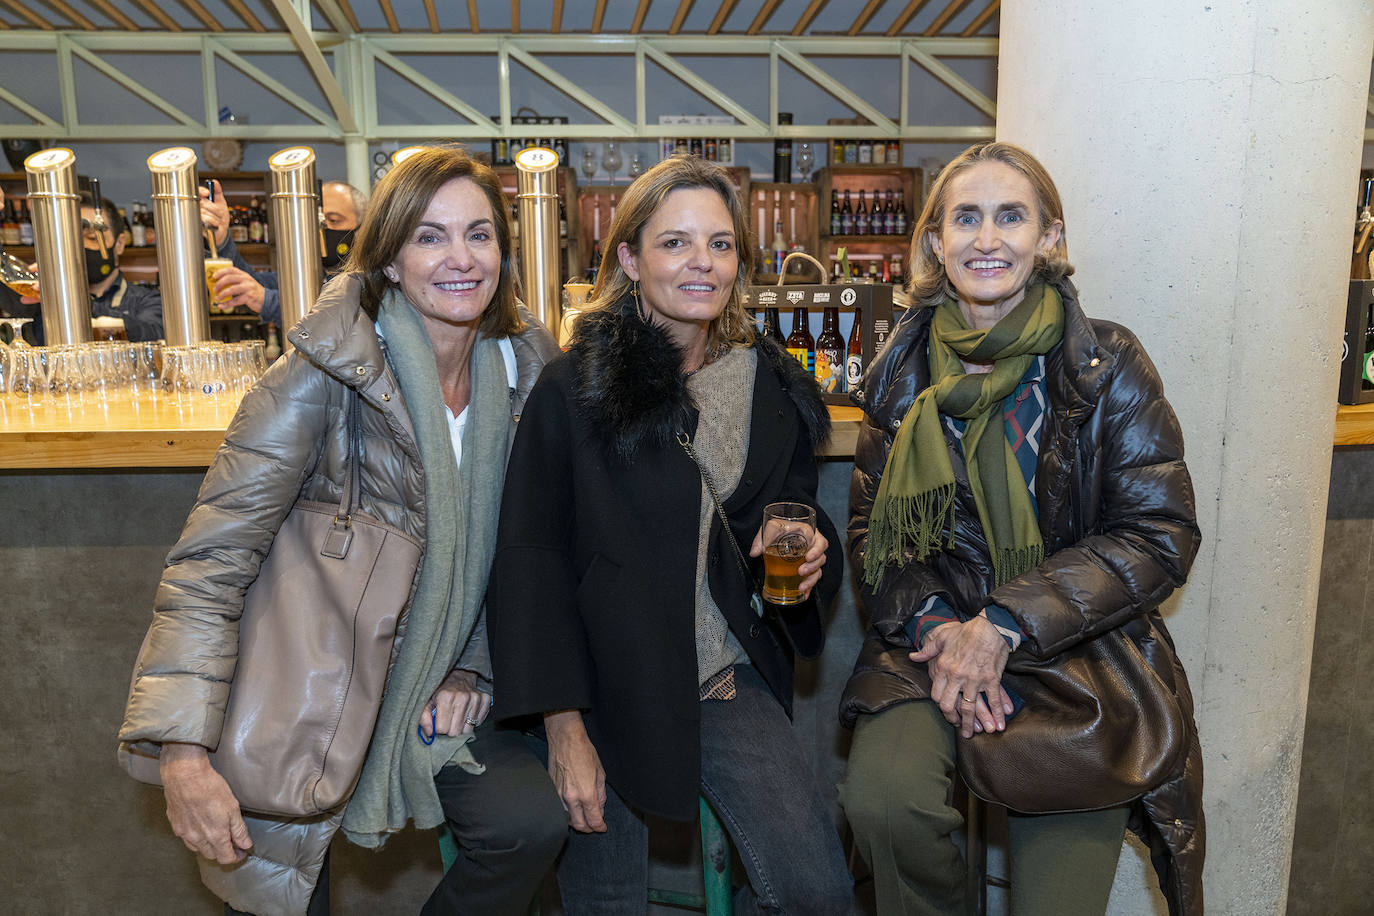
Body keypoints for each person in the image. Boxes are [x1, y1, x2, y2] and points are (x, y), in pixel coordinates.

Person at [118, 145, 567, 916]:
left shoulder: (529, 371)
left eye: (478, 234)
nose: (459, 258)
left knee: (530, 825)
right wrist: (183, 752)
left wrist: (475, 664)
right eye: (429, 237)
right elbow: (211, 561)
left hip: (441, 677)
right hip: (312, 688)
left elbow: (530, 552)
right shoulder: (320, 375)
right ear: (389, 258)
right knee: (286, 890)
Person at [837, 141, 1204, 916]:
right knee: (886, 805)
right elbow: (877, 536)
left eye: (1012, 217)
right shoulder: (901, 367)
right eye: (965, 218)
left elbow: (1158, 532)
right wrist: (944, 631)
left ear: (1051, 239)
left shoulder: (1107, 362)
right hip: (928, 645)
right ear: (936, 243)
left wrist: (1004, 625)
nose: (987, 238)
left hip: (1081, 653)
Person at [486, 155, 854, 914]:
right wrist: (562, 729)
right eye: (675, 243)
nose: (702, 264)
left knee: (817, 889)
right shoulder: (576, 387)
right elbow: (533, 563)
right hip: (598, 687)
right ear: (629, 256)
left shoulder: (769, 386)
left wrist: (814, 548)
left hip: (721, 678)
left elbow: (794, 508)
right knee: (607, 900)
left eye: (720, 245)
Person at [2, 189, 163, 342]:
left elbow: (149, 336)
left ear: (119, 244)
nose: (81, 248)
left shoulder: (147, 301)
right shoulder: (41, 302)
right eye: (72, 240)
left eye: (93, 239)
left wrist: (73, 297)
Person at [205, 180, 365, 325]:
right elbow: (249, 284)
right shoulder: (306, 276)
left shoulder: (371, 280)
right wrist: (221, 238)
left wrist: (266, 300)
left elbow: (332, 321)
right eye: (315, 221)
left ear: (363, 228)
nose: (322, 229)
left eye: (334, 220)